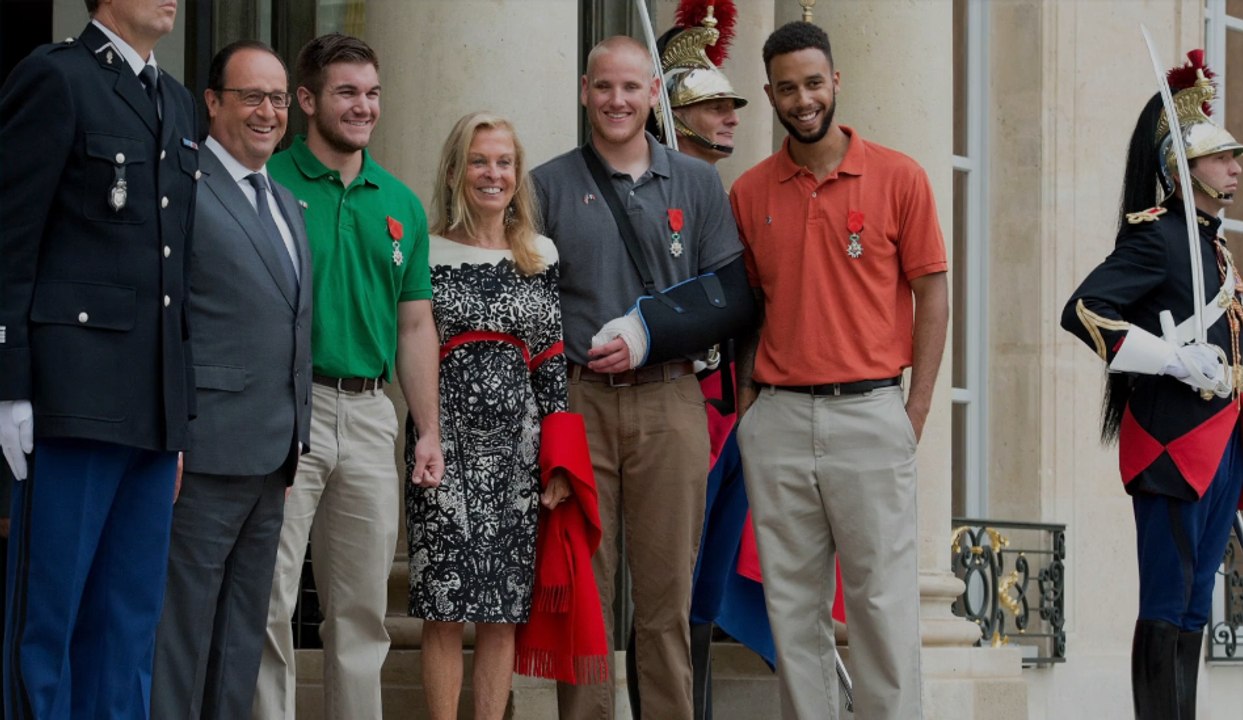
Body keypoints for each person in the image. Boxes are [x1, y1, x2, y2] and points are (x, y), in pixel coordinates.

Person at [729, 21, 949, 720]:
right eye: (787, 87)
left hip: (870, 414)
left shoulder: (898, 177)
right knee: (793, 615)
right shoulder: (750, 192)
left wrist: (911, 410)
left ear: (835, 83)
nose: (802, 99)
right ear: (768, 93)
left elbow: (933, 295)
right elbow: (744, 309)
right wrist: (747, 409)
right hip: (780, 421)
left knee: (881, 606)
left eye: (813, 83)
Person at [532, 35, 751, 720]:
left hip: (669, 401)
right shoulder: (545, 185)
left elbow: (733, 298)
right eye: (603, 87)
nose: (617, 100)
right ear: (583, 91)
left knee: (665, 599)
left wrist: (651, 332)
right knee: (585, 597)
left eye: (631, 87)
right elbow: (532, 308)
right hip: (579, 404)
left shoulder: (697, 183)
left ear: (653, 93)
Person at [0, 0, 199, 716]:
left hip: (148, 409)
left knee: (128, 622)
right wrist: (9, 383)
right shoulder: (56, 79)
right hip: (71, 396)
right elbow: (10, 236)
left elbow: (173, 275)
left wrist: (179, 412)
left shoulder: (172, 101)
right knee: (49, 620)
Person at [251, 33, 443, 720]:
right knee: (268, 602)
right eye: (346, 92)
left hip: (368, 415)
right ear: (306, 99)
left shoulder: (398, 203)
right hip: (282, 410)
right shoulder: (266, 185)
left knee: (361, 613)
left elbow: (415, 325)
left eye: (371, 93)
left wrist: (428, 430)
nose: (363, 106)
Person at [1061, 51, 1243, 720]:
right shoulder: (1157, 239)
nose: (1233, 165)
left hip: (1219, 440)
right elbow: (1082, 311)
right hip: (1172, 443)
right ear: (1182, 164)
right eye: (1221, 157)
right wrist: (1169, 358)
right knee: (1167, 602)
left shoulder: (1212, 247)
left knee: (1195, 606)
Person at [405, 110, 594, 720]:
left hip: (519, 456)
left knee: (504, 610)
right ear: (457, 171)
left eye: (504, 162)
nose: (493, 174)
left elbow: (550, 363)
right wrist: (426, 434)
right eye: (480, 161)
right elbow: (413, 343)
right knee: (444, 608)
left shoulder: (539, 253)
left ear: (518, 173)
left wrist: (559, 463)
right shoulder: (424, 250)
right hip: (444, 446)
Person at [149, 40, 312, 720]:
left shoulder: (283, 200)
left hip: (274, 453)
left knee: (241, 635)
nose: (267, 112)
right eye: (251, 96)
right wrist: (173, 432)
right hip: (205, 450)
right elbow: (166, 319)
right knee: (181, 635)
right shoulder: (181, 187)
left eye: (277, 98)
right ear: (212, 102)